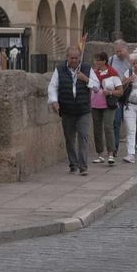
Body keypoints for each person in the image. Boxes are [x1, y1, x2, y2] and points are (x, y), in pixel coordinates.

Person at [47, 45, 94, 175]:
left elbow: (96, 86)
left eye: (76, 58)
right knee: (69, 138)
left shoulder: (87, 68)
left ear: (80, 57)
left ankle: (83, 166)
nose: (74, 60)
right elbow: (53, 86)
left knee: (83, 137)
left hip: (83, 109)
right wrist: (54, 101)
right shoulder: (60, 69)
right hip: (67, 109)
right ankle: (73, 164)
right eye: (71, 58)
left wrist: (86, 79)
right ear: (67, 57)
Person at [88, 51, 121, 166]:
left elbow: (120, 91)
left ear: (104, 61)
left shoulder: (112, 73)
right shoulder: (93, 73)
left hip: (108, 104)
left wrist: (110, 92)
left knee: (108, 127)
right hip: (95, 104)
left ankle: (111, 154)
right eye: (95, 60)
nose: (96, 62)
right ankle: (100, 154)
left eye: (98, 60)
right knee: (97, 129)